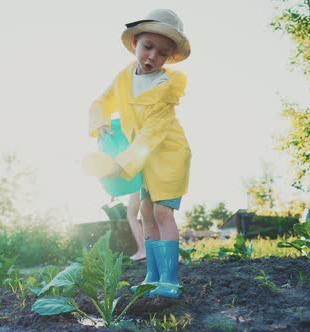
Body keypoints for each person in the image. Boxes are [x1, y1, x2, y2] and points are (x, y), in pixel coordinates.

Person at [88, 8, 191, 299]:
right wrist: (101, 123)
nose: (151, 58)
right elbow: (101, 101)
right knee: (145, 212)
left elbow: (151, 135)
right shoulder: (124, 76)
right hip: (140, 155)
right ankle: (152, 277)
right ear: (135, 43)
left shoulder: (165, 86)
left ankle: (170, 279)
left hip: (168, 153)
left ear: (169, 57)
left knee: (161, 211)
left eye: (162, 53)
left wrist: (121, 165)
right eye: (147, 47)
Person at [126, 191, 146, 262]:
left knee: (131, 215)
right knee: (147, 212)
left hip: (137, 185)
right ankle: (148, 250)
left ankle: (143, 250)